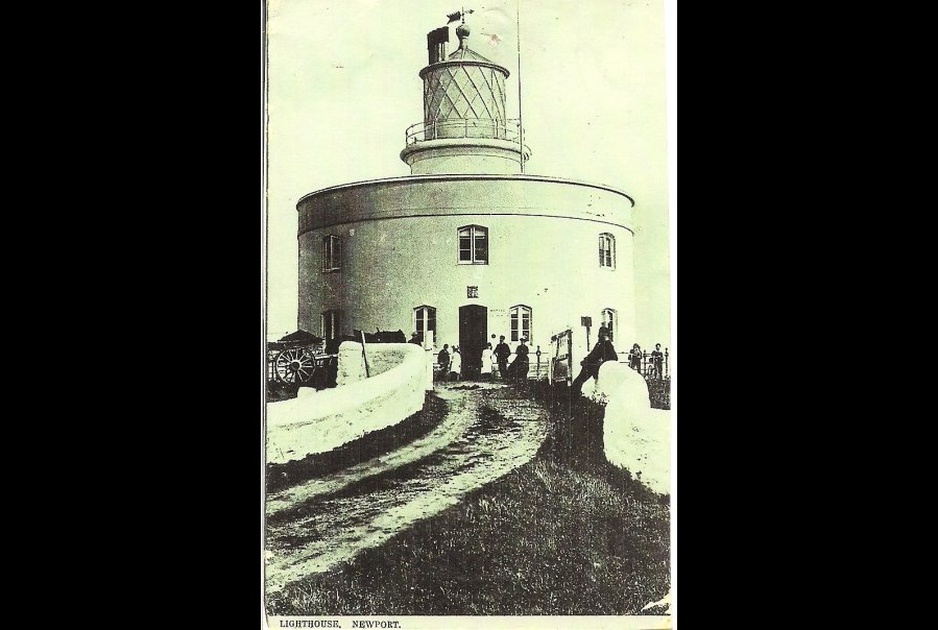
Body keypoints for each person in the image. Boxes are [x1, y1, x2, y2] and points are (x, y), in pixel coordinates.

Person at [571, 327, 618, 394]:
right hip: (589, 366)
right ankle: (573, 399)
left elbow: (614, 357)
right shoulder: (599, 344)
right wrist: (585, 360)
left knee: (579, 383)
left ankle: (574, 400)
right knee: (577, 382)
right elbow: (592, 354)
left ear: (605, 335)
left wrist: (607, 341)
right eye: (599, 333)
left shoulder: (607, 345)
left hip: (593, 367)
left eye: (601, 333)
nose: (598, 335)